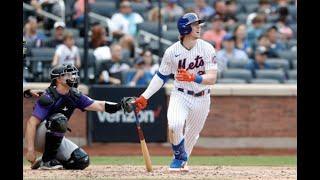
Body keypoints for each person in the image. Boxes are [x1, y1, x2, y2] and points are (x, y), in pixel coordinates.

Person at [132, 13, 218, 172]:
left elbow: (212, 78)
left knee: (192, 135)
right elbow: (161, 76)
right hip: (180, 94)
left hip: (202, 97)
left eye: (199, 24)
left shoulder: (207, 48)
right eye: (195, 24)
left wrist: (194, 77)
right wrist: (145, 96)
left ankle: (182, 159)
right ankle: (179, 157)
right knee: (175, 124)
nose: (199, 27)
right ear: (185, 28)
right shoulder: (172, 51)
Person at [24, 64, 134, 170]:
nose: (72, 77)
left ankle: (44, 160)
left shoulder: (75, 95)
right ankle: (48, 161)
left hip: (55, 135)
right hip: (39, 136)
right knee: (59, 119)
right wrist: (30, 149)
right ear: (58, 79)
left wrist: (120, 105)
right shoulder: (48, 97)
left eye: (72, 74)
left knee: (81, 160)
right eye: (67, 75)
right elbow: (31, 123)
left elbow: (99, 105)